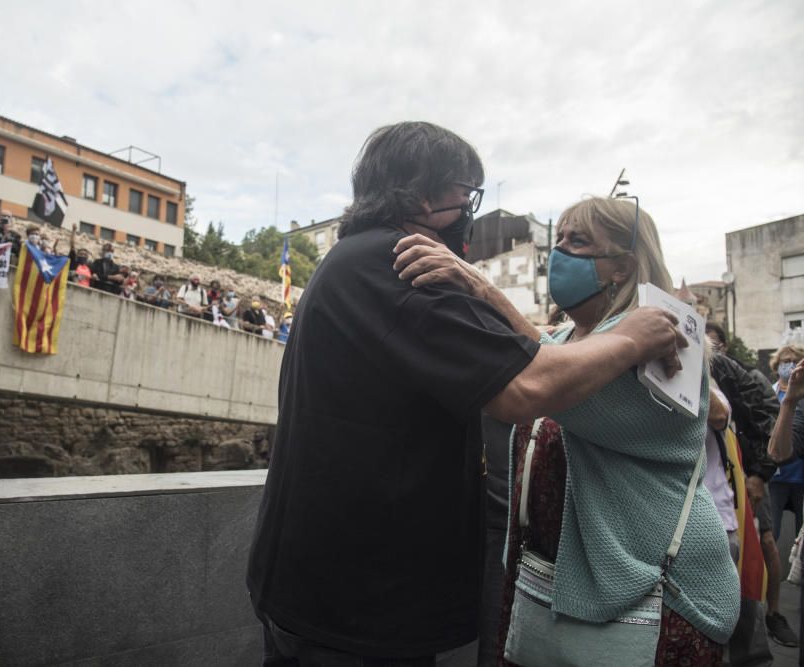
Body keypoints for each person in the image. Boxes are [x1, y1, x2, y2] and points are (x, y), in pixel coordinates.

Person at [247, 121, 689, 664]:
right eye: (464, 195)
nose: (468, 211)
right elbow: (528, 385)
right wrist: (630, 336)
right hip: (356, 605)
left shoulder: (354, 258)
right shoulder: (404, 266)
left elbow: (533, 352)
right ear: (424, 194)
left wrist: (481, 287)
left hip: (316, 587)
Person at [405, 196, 735, 664]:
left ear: (620, 267)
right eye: (558, 238)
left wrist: (481, 285)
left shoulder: (661, 340)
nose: (559, 252)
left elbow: (550, 378)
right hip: (553, 593)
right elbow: (545, 350)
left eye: (577, 241)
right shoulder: (567, 339)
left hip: (658, 595)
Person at [703, 323, 792, 650]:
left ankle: (772, 615)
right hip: (724, 480)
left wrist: (760, 473)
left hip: (748, 475)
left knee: (764, 541)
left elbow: (764, 419)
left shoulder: (728, 372)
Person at [766, 357, 804, 665]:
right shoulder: (797, 399)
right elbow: (778, 452)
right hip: (783, 483)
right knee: (773, 537)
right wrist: (790, 402)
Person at [769, 343, 804, 540]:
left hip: (799, 475)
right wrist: (789, 403)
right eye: (785, 361)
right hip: (777, 477)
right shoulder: (770, 392)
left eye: (794, 361)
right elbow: (777, 452)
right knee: (772, 532)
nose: (789, 365)